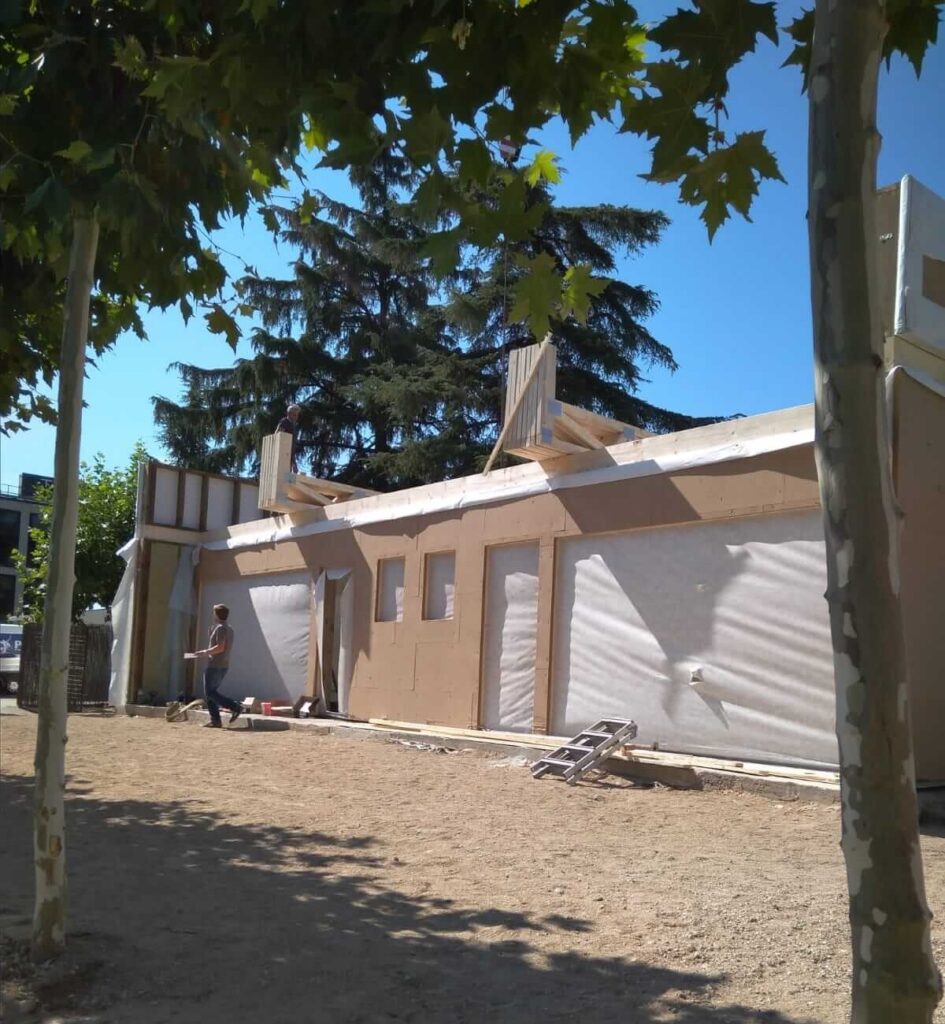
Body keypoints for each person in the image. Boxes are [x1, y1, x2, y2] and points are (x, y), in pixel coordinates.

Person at [191, 603, 242, 728]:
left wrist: (204, 652)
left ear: (216, 614)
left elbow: (220, 647)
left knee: (210, 693)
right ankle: (215, 720)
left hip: (215, 665)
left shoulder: (220, 628)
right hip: (223, 665)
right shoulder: (229, 629)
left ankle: (234, 707)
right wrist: (211, 637)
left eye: (214, 612)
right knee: (211, 693)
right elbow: (222, 646)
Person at [276, 403, 301, 473]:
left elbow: (292, 447)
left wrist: (293, 462)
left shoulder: (293, 426)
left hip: (288, 456)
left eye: (297, 415)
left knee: (287, 477)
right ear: (288, 414)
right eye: (294, 415)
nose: (296, 417)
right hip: (281, 455)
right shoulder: (284, 422)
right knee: (282, 475)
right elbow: (278, 436)